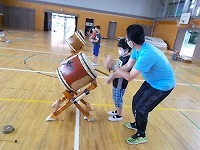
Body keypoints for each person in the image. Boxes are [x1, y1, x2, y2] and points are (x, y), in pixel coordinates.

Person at [105, 24, 175, 145]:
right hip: (152, 81)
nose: (126, 40)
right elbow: (127, 67)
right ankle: (136, 124)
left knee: (142, 109)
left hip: (163, 85)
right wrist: (113, 72)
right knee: (136, 101)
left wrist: (112, 67)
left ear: (131, 42)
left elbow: (130, 76)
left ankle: (141, 134)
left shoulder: (147, 54)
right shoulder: (138, 49)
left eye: (127, 38)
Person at [104, 38, 132, 121]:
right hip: (116, 82)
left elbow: (121, 73)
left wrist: (111, 77)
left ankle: (119, 116)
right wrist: (107, 62)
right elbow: (116, 68)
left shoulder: (128, 60)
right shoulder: (122, 57)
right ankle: (117, 111)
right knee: (116, 98)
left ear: (126, 50)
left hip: (120, 83)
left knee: (117, 99)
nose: (118, 50)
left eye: (120, 49)